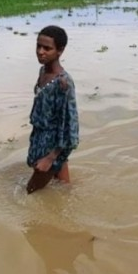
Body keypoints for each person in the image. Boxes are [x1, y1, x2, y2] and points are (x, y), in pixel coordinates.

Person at [25, 25, 79, 194]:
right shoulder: (43, 72)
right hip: (40, 137)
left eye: (47, 48)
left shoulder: (63, 83)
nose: (41, 51)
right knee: (64, 190)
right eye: (38, 46)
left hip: (51, 146)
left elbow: (71, 128)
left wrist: (50, 157)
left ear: (60, 51)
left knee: (30, 191)